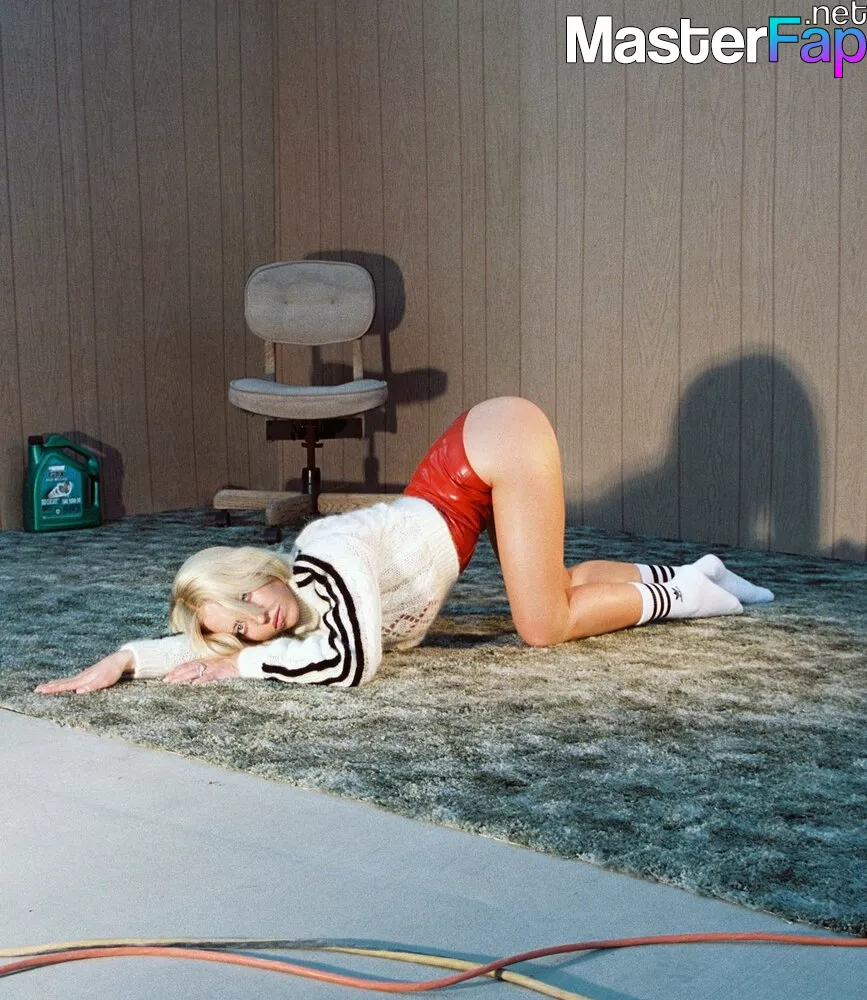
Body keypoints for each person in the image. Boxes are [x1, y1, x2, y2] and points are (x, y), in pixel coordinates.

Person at [35, 397, 773, 695]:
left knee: (542, 624)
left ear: (254, 569)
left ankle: (690, 597)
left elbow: (351, 665)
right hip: (467, 479)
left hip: (489, 448)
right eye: (241, 628)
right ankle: (696, 572)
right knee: (551, 586)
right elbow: (221, 645)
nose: (258, 622)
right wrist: (129, 659)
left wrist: (240, 666)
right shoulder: (301, 608)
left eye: (246, 601)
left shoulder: (325, 555)